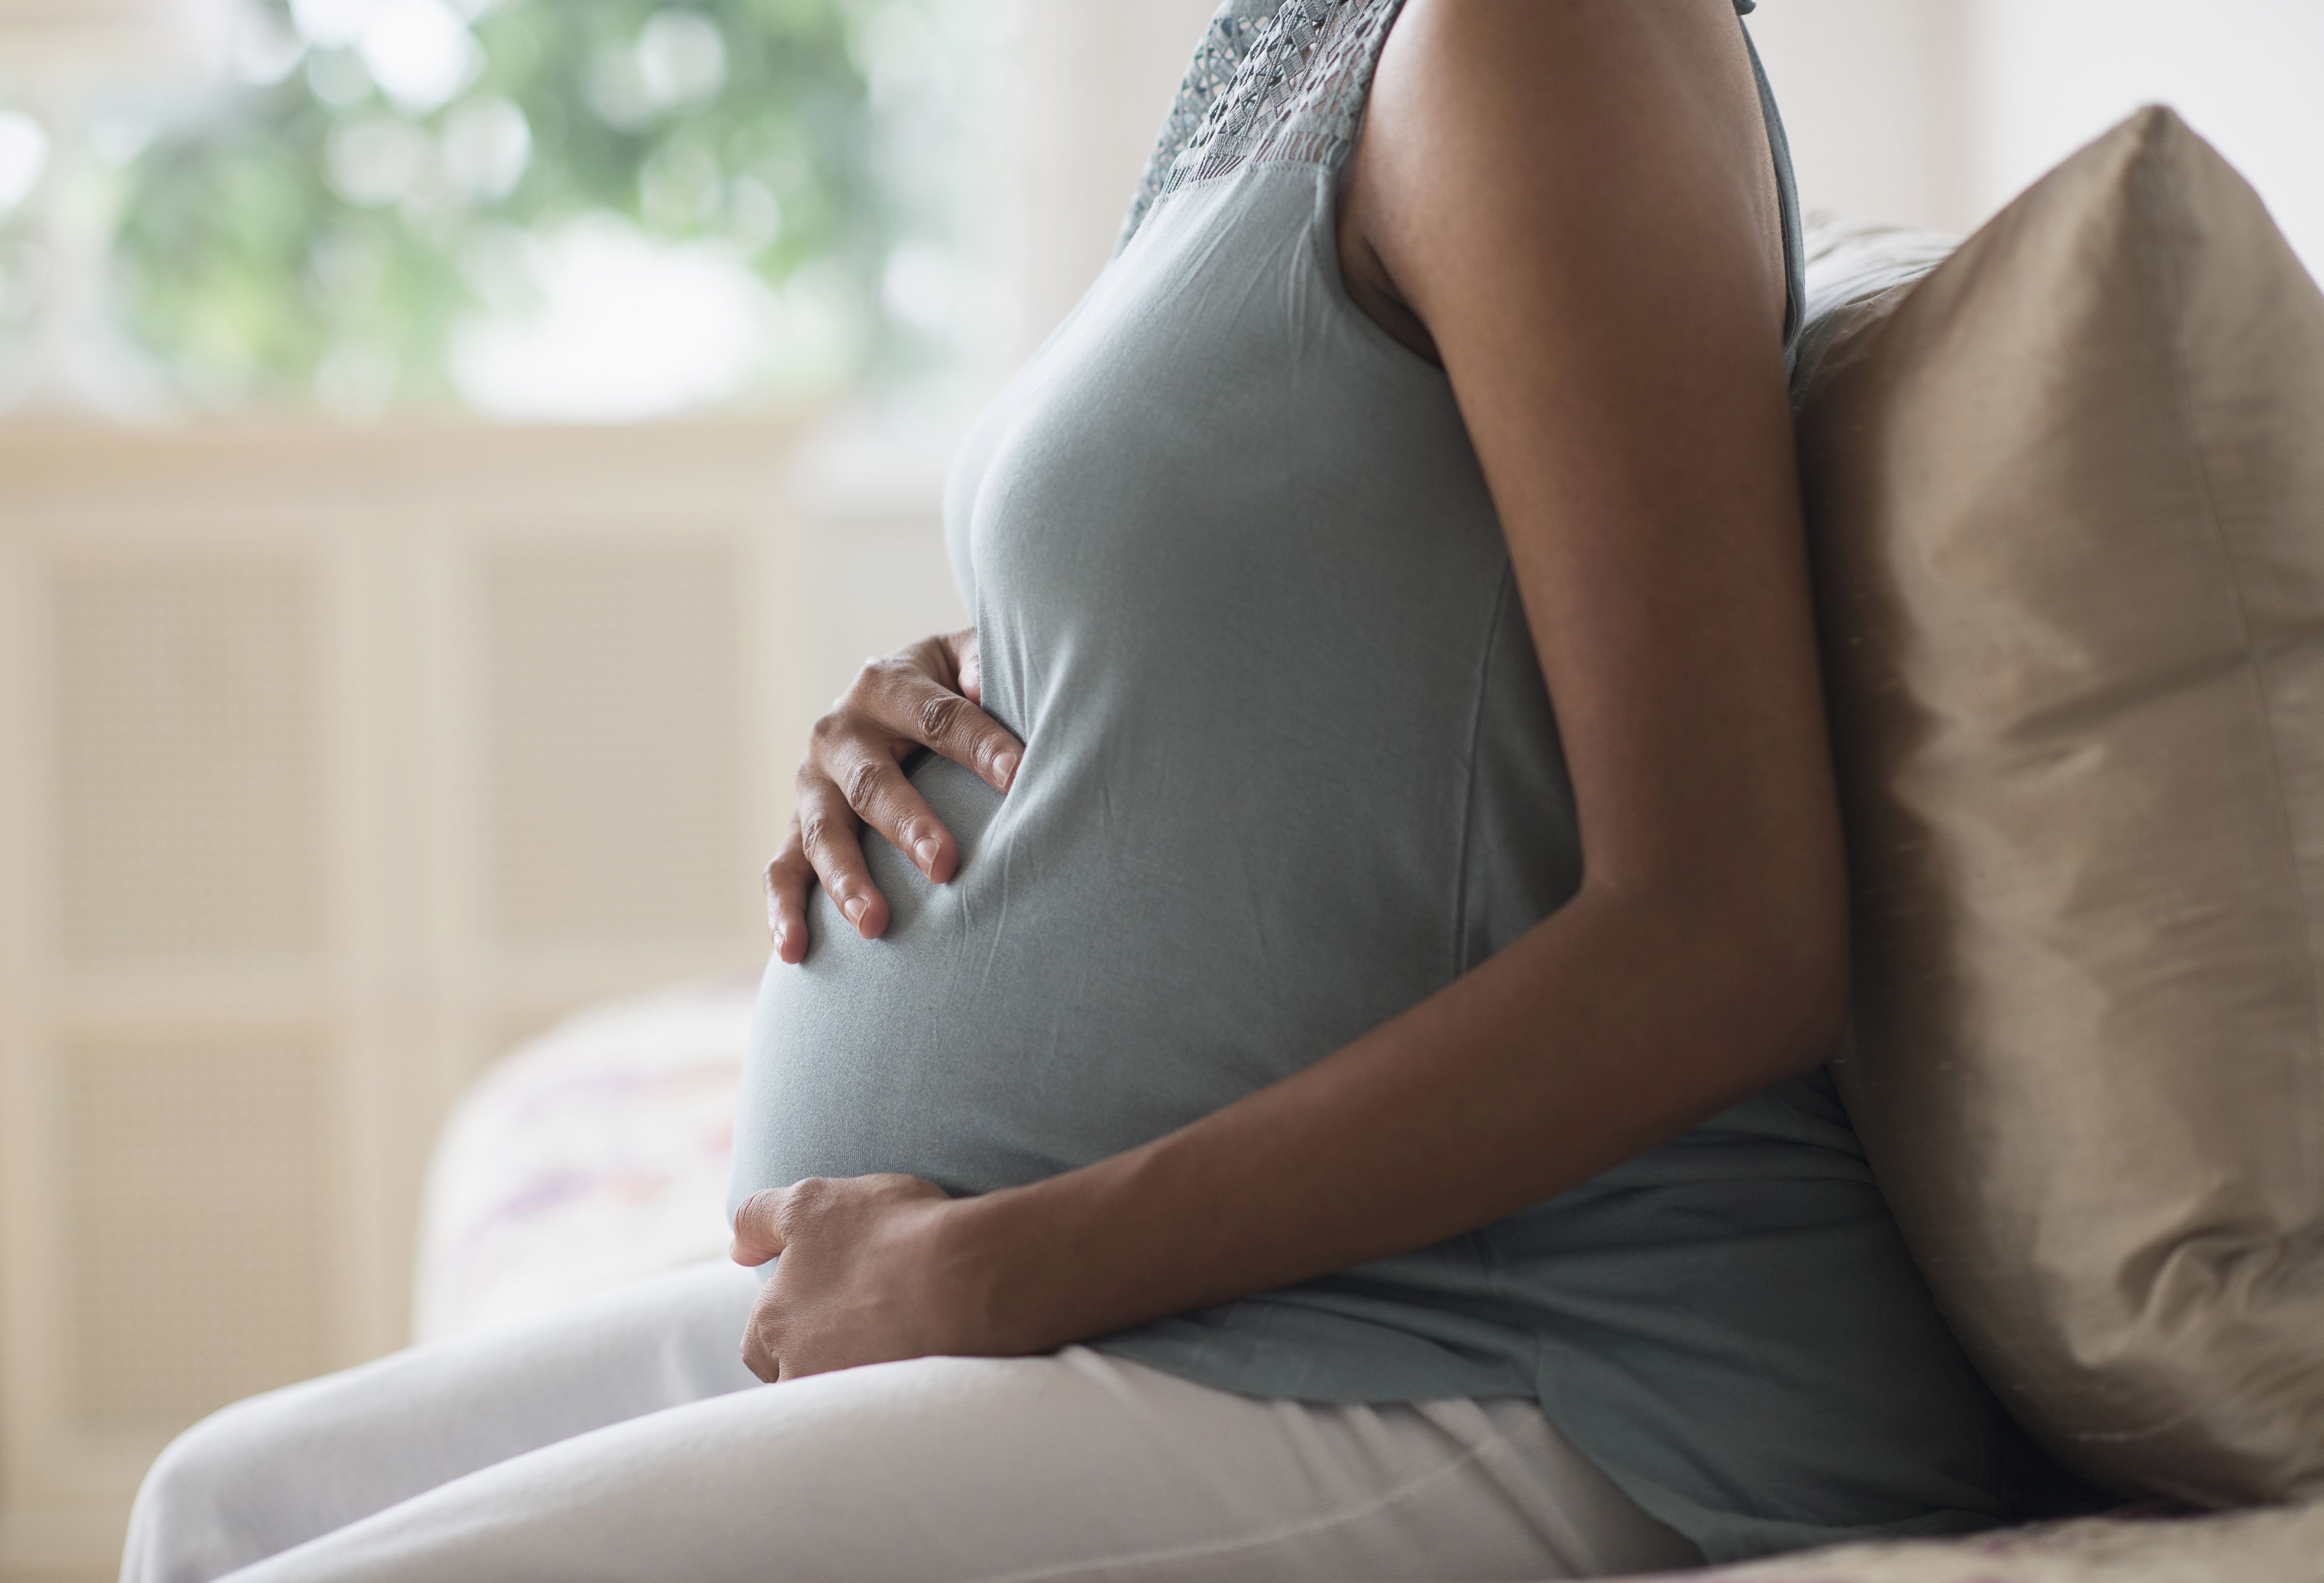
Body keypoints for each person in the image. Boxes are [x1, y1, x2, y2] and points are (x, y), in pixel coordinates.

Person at [123, 2, 2005, 1578]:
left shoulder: (1541, 36)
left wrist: (1001, 1268)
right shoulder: (1294, 49)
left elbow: (1726, 932)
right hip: (1205, 1304)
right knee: (210, 1508)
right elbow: (1323, 625)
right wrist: (946, 695)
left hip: (1516, 1347)